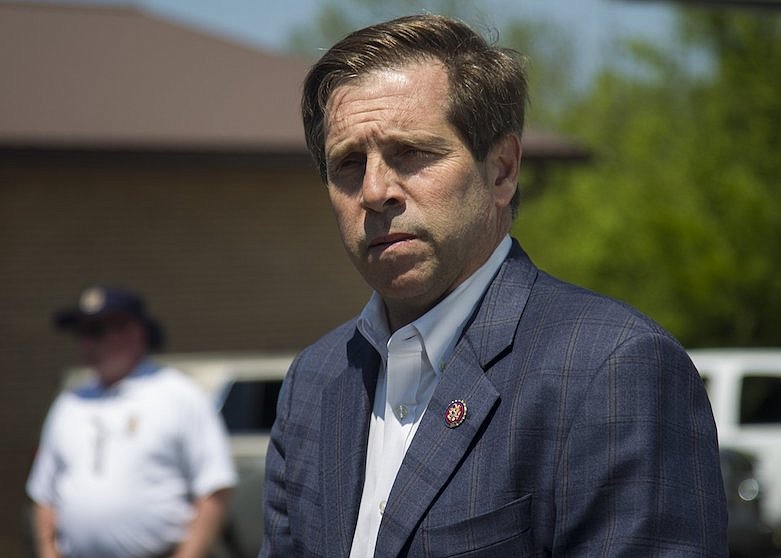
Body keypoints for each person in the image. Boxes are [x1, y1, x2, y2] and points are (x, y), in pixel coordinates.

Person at [262, 14, 728, 557]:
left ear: (502, 170)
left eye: (411, 153)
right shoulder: (316, 381)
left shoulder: (612, 367)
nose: (374, 191)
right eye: (347, 164)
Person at [27, 286, 237, 558]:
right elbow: (44, 494)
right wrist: (47, 551)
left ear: (135, 333)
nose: (86, 344)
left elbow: (215, 487)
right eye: (81, 333)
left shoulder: (178, 394)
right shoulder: (69, 403)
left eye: (97, 332)